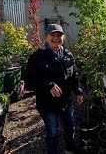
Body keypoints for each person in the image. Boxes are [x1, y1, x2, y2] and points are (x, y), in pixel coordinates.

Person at [25, 23, 84, 154]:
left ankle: (70, 148)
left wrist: (78, 91)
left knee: (70, 127)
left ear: (63, 37)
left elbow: (74, 75)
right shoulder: (37, 57)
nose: (56, 38)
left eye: (59, 35)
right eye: (53, 35)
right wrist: (48, 85)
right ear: (46, 37)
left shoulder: (68, 54)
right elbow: (29, 80)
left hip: (66, 101)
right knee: (52, 131)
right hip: (47, 103)